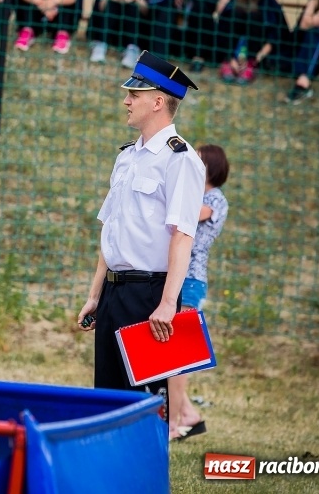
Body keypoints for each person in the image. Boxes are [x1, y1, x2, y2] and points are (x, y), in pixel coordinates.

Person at [77, 51, 206, 423]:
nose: (126, 101)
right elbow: (111, 230)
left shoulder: (179, 160)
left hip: (150, 295)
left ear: (158, 101)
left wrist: (168, 304)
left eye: (134, 94)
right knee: (107, 400)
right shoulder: (127, 157)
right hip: (115, 293)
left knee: (146, 405)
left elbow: (183, 235)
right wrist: (95, 295)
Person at [168, 144, 229, 441]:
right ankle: (189, 414)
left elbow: (192, 212)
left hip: (190, 281)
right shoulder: (197, 195)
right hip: (177, 278)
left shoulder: (214, 200)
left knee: (177, 357)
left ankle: (174, 423)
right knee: (170, 353)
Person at [215, 0, 288, 84]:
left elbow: (276, 33)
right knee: (235, 13)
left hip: (258, 51)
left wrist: (256, 57)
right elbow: (223, 28)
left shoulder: (269, 2)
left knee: (254, 16)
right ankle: (229, 62)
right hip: (234, 49)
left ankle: (250, 65)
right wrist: (230, 56)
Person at [149, 0, 221, 70]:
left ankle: (198, 59)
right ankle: (160, 58)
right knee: (166, 9)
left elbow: (215, 0)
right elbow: (153, 1)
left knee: (201, 8)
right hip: (172, 38)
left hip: (193, 40)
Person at [87, 0, 155, 66]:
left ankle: (132, 49)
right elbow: (99, 8)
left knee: (132, 6)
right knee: (111, 4)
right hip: (113, 30)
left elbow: (148, 12)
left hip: (135, 31)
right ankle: (100, 45)